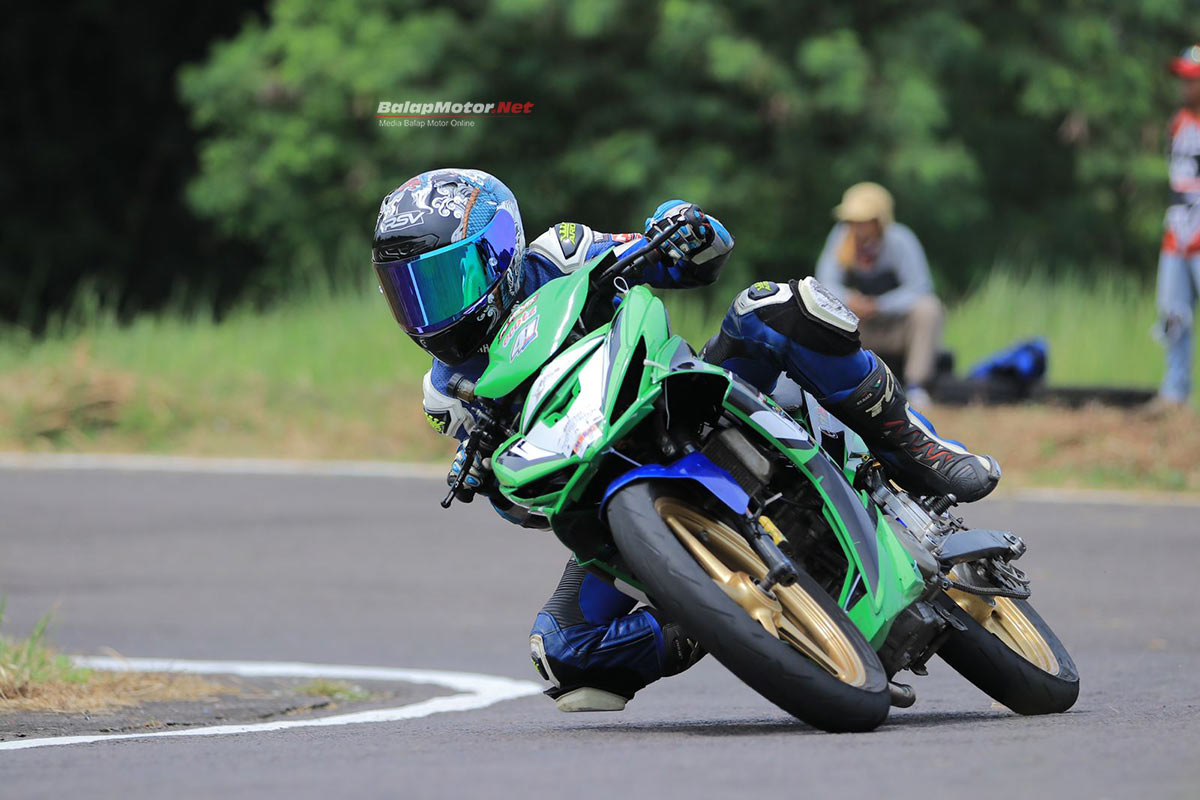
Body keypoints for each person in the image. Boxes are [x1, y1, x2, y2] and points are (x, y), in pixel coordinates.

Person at [372, 168, 1001, 713]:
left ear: (497, 250)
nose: (428, 309)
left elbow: (697, 257)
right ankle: (712, 614)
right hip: (602, 483)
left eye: (444, 280)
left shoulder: (560, 252)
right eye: (411, 292)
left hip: (676, 396)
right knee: (560, 652)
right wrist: (488, 481)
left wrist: (683, 227)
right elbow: (522, 500)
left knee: (775, 305)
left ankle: (919, 448)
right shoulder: (445, 395)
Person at [814, 182, 943, 406]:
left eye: (864, 221)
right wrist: (849, 300)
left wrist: (880, 305)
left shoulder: (901, 240)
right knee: (815, 310)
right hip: (857, 326)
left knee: (929, 308)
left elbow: (920, 287)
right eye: (853, 220)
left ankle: (917, 386)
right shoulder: (841, 239)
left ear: (880, 220)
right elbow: (824, 283)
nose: (858, 227)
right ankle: (831, 380)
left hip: (894, 328)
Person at [1153, 44, 1200, 409]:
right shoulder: (1179, 123)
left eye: (1192, 79)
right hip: (1177, 233)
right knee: (1173, 312)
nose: (1186, 86)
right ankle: (1174, 390)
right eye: (1183, 78)